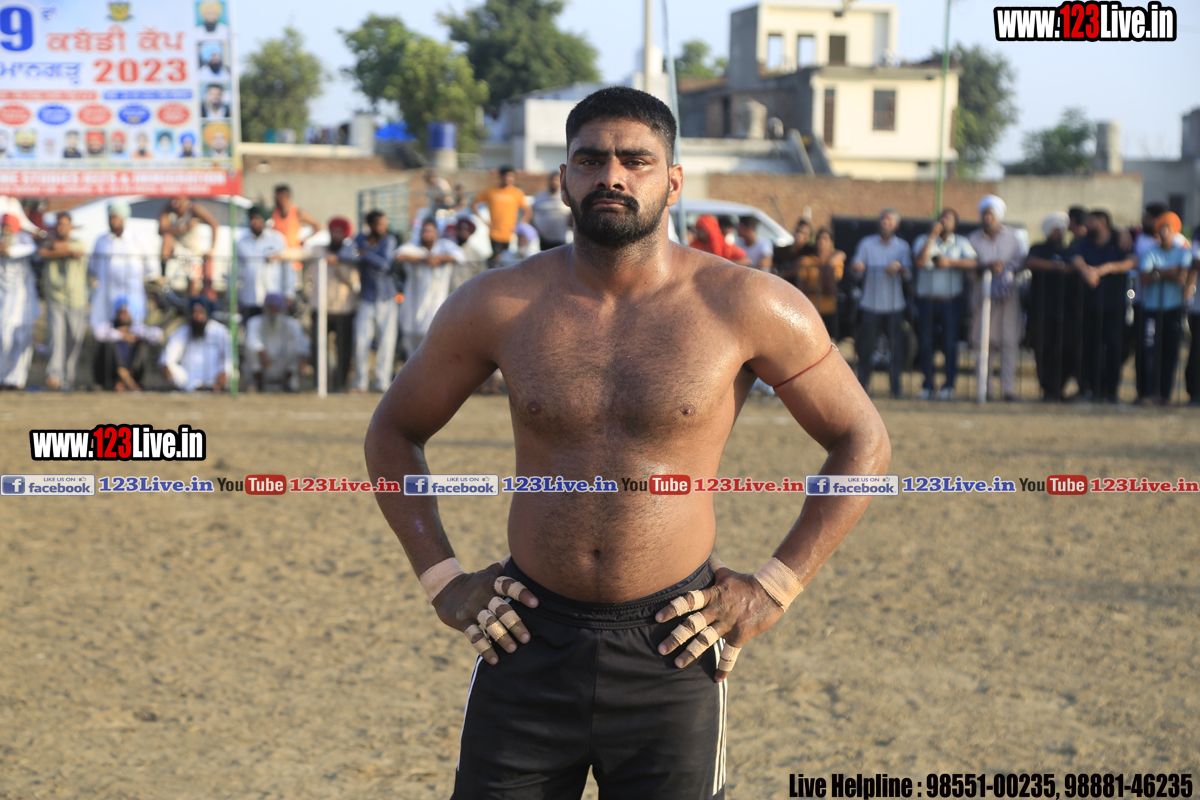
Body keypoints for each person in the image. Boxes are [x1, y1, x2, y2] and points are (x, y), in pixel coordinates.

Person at [363, 85, 890, 798]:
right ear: (564, 179)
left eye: (635, 160)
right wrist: (443, 582)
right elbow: (393, 431)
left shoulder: (746, 303)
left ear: (673, 180)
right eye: (591, 159)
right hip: (524, 636)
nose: (611, 175)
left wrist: (773, 589)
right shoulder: (499, 304)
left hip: (674, 645)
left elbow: (862, 440)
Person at [1070, 208, 1135, 402]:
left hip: (1114, 304)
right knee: (1090, 347)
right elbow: (1076, 258)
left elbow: (1132, 261)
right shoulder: (1085, 242)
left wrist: (1105, 269)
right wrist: (1086, 271)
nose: (1088, 225)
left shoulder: (1119, 240)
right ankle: (1093, 388)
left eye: (1092, 221)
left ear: (1103, 222)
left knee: (1114, 346)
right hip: (1090, 304)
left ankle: (1111, 390)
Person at [911, 208, 976, 400]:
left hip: (950, 302)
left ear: (955, 224)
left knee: (950, 344)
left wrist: (950, 262)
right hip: (927, 302)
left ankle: (948, 386)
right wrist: (932, 236)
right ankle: (928, 385)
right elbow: (919, 262)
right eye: (941, 218)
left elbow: (973, 263)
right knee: (926, 344)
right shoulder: (923, 240)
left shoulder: (961, 242)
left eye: (948, 219)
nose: (944, 221)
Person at [968, 195, 1026, 402]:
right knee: (983, 343)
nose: (988, 217)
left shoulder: (1012, 236)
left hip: (1008, 297)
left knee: (1009, 341)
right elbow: (969, 265)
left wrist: (1006, 269)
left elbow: (1021, 261)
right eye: (985, 214)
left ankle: (1008, 390)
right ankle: (984, 389)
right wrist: (987, 268)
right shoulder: (973, 239)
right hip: (982, 296)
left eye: (991, 214)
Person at [850, 207, 911, 398]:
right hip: (870, 304)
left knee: (896, 349)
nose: (886, 223)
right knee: (865, 348)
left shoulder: (902, 246)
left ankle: (896, 389)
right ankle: (862, 388)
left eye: (890, 220)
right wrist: (857, 266)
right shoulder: (866, 243)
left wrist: (899, 268)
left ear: (896, 224)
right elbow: (856, 266)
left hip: (894, 305)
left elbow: (908, 274)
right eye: (883, 219)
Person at [1137, 212, 1191, 404]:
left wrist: (1158, 272)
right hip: (1152, 308)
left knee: (1170, 351)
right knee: (1150, 351)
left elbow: (1181, 278)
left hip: (1173, 308)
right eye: (1161, 228)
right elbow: (1144, 278)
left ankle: (1164, 394)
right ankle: (1148, 392)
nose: (1164, 232)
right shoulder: (1150, 252)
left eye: (1168, 228)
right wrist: (1168, 272)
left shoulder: (1183, 253)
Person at [1024, 212, 1078, 401]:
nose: (1059, 233)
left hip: (1067, 310)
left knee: (1067, 348)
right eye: (1056, 229)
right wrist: (1058, 266)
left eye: (1062, 229)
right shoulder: (1038, 248)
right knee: (1043, 347)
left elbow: (1077, 264)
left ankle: (1059, 387)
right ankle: (1048, 389)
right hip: (1042, 309)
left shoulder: (1070, 250)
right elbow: (1030, 262)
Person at [395, 218, 465, 360]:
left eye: (430, 231)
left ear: (437, 233)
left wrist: (439, 258)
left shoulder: (444, 245)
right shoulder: (414, 245)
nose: (427, 235)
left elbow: (460, 256)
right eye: (424, 231)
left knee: (432, 353)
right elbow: (399, 255)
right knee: (412, 355)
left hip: (434, 310)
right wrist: (424, 259)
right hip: (412, 311)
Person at [303, 216, 359, 392]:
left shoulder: (351, 254)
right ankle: (320, 382)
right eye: (333, 232)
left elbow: (353, 279)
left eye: (339, 233)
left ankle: (340, 383)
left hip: (343, 309)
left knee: (343, 349)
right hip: (320, 308)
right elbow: (300, 253)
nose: (336, 235)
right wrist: (280, 255)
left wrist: (339, 264)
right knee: (317, 347)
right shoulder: (318, 250)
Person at [90, 201, 158, 335]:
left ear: (123, 218)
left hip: (133, 297)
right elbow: (94, 268)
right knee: (106, 334)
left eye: (116, 217)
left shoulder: (137, 239)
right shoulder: (101, 240)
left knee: (135, 333)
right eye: (111, 217)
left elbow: (151, 266)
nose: (113, 220)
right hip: (106, 298)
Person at [39, 212, 89, 390]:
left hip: (77, 299)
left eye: (65, 224)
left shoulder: (79, 243)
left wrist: (55, 250)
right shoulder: (48, 244)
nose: (62, 228)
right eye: (59, 224)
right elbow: (43, 252)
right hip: (55, 298)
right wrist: (61, 250)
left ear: (71, 227)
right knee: (56, 338)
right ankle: (54, 375)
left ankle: (68, 378)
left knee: (75, 338)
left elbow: (72, 249)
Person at [352, 210, 399, 392]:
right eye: (380, 224)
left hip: (386, 297)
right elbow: (346, 253)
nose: (383, 227)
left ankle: (382, 382)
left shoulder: (389, 240)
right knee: (361, 341)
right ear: (370, 225)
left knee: (386, 342)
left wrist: (365, 254)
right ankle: (361, 382)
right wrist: (366, 254)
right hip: (367, 297)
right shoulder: (360, 238)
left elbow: (385, 264)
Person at [160, 296, 232, 391]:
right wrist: (168, 369)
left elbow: (230, 356)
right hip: (188, 379)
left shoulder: (220, 331)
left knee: (232, 369)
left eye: (200, 312)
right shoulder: (181, 332)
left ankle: (214, 387)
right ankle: (193, 387)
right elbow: (167, 357)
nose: (197, 316)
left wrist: (224, 372)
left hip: (214, 376)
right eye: (194, 312)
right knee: (169, 366)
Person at [92, 297, 163, 391]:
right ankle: (128, 382)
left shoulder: (135, 327)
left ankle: (123, 381)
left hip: (133, 372)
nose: (124, 316)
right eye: (121, 312)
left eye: (126, 312)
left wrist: (136, 336)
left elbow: (158, 335)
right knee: (109, 345)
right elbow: (98, 333)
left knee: (141, 344)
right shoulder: (110, 326)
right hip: (108, 375)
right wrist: (123, 336)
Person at [0, 214, 38, 389]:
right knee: (3, 338)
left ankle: (17, 379)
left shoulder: (23, 240)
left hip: (23, 303)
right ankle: (2, 377)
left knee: (22, 340)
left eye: (9, 227)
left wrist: (9, 251)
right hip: (4, 302)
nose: (6, 230)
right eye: (4, 226)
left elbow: (30, 248)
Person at [246, 292, 308, 392]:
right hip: (263, 365)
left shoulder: (292, 324)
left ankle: (286, 384)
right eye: (269, 308)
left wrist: (302, 357)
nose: (272, 312)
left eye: (275, 308)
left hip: (283, 364)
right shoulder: (254, 322)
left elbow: (302, 343)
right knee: (251, 349)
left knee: (294, 347)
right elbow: (251, 340)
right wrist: (261, 352)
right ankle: (260, 384)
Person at [790, 228, 844, 339]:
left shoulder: (836, 262)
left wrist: (828, 265)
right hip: (811, 310)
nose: (821, 241)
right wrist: (819, 291)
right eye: (818, 238)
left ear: (831, 243)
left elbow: (832, 287)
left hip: (829, 310)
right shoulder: (806, 261)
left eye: (825, 239)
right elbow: (800, 286)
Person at [236, 205, 288, 319]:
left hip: (272, 298)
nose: (254, 222)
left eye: (257, 219)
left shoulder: (277, 239)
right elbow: (236, 272)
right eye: (251, 218)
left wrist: (289, 293)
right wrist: (235, 297)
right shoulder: (242, 242)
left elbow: (287, 269)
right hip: (250, 298)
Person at [472, 166, 530, 266]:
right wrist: (485, 221)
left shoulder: (516, 192)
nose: (508, 179)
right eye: (506, 176)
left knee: (507, 261)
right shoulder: (491, 191)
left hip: (510, 234)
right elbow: (473, 204)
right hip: (495, 232)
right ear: (501, 177)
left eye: (511, 176)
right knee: (497, 259)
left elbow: (528, 210)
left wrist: (519, 225)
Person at [160, 195, 219, 290]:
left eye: (178, 199)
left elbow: (214, 224)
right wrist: (182, 228)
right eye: (172, 199)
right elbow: (161, 230)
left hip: (193, 251)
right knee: (167, 238)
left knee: (193, 282)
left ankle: (194, 297)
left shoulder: (193, 208)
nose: (174, 202)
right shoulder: (168, 209)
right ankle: (162, 277)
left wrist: (211, 248)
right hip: (178, 248)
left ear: (185, 199)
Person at [271, 183, 321, 274]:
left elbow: (317, 226)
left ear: (287, 197)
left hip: (292, 258)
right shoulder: (273, 213)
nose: (276, 199)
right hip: (278, 258)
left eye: (279, 196)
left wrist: (304, 240)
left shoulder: (296, 212)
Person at [531, 172, 572, 250]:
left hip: (561, 239)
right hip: (543, 239)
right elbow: (531, 214)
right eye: (551, 179)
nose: (553, 182)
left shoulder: (566, 196)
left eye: (556, 180)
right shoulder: (539, 196)